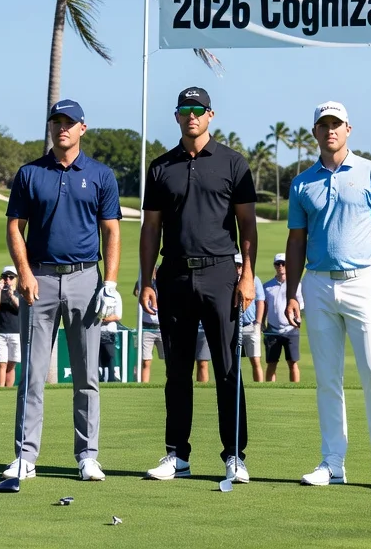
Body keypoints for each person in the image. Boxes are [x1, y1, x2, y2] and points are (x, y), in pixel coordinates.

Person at [139, 87, 257, 485]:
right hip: (173, 274)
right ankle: (177, 454)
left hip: (221, 273)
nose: (192, 116)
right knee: (177, 371)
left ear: (210, 115)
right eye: (185, 110)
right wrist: (146, 279)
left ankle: (234, 455)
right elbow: (151, 228)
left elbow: (247, 224)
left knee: (227, 369)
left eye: (198, 110)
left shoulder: (232, 162)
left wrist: (248, 275)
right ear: (177, 116)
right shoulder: (161, 167)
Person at [282, 100, 371, 493]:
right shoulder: (302, 183)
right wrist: (292, 292)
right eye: (323, 124)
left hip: (363, 282)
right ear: (314, 132)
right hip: (317, 285)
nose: (330, 130)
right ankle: (333, 463)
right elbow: (296, 241)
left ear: (348, 129)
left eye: (336, 124)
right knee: (328, 380)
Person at [3, 97, 122, 484]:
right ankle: (25, 457)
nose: (62, 128)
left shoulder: (101, 175)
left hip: (85, 279)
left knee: (87, 376)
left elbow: (111, 231)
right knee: (32, 375)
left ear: (82, 128)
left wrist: (110, 283)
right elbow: (14, 227)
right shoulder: (30, 174)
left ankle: (87, 456)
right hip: (38, 279)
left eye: (69, 122)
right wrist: (24, 272)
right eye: (57, 121)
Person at [262, 253, 302, 383]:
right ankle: (269, 390)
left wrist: (297, 320)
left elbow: (300, 305)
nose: (280, 266)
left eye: (283, 264)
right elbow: (264, 307)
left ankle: (295, 390)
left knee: (292, 363)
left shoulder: (296, 285)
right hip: (272, 330)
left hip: (291, 329)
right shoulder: (267, 286)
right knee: (271, 364)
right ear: (274, 266)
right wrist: (262, 323)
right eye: (278, 264)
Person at [0, 265, 21, 387]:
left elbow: (21, 308)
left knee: (11, 364)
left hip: (16, 331)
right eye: (5, 277)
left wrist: (12, 295)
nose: (8, 280)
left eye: (11, 277)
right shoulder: (0, 291)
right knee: (1, 363)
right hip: (0, 331)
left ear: (16, 278)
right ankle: (1, 388)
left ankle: (9, 389)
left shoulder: (20, 292)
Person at [235, 253, 265, 383]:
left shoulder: (254, 279)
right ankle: (235, 385)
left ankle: (259, 386)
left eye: (239, 265)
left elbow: (260, 301)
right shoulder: (227, 280)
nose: (237, 268)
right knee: (233, 360)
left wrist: (258, 323)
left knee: (255, 360)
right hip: (233, 325)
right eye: (235, 265)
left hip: (250, 325)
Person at [134, 277, 165, 383]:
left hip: (162, 327)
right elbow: (136, 292)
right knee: (146, 361)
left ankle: (172, 384)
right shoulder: (143, 283)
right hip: (147, 328)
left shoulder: (165, 283)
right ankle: (144, 385)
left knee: (170, 359)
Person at [98, 273, 124, 383]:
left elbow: (118, 316)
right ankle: (99, 378)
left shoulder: (116, 296)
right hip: (97, 331)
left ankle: (111, 379)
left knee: (109, 356)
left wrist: (103, 320)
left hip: (109, 331)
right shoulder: (98, 294)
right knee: (97, 357)